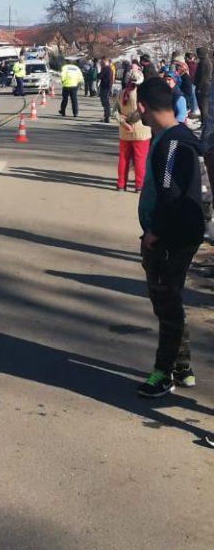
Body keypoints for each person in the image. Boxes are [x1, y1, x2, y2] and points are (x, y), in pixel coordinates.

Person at [134, 76, 205, 398]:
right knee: (171, 299)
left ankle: (163, 374)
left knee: (166, 305)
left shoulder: (171, 144)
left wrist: (155, 233)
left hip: (170, 238)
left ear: (143, 107)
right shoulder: (175, 138)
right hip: (179, 233)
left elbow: (168, 193)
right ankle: (183, 366)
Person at [112, 65, 150, 190]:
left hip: (124, 131)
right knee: (140, 159)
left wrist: (124, 123)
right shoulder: (142, 94)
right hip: (141, 130)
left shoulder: (121, 93)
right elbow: (144, 111)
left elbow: (114, 112)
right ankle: (139, 184)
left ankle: (121, 184)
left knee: (123, 158)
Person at [195, 45, 211, 123]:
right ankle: (203, 122)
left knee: (203, 106)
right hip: (204, 86)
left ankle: (204, 123)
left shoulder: (204, 62)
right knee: (202, 106)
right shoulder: (204, 62)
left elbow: (203, 77)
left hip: (203, 87)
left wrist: (199, 87)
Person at [98, 55, 115, 122]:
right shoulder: (106, 68)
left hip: (106, 87)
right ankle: (106, 116)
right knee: (104, 102)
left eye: (103, 61)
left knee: (106, 102)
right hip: (105, 86)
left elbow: (99, 76)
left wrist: (110, 88)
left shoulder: (107, 69)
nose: (101, 63)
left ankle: (107, 116)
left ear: (107, 62)